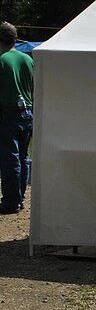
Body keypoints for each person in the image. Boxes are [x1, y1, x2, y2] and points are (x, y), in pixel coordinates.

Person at [0, 22, 32, 213]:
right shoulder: (28, 59)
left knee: (10, 159)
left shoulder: (2, 60)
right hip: (28, 112)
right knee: (23, 156)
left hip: (8, 112)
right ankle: (20, 198)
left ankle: (10, 202)